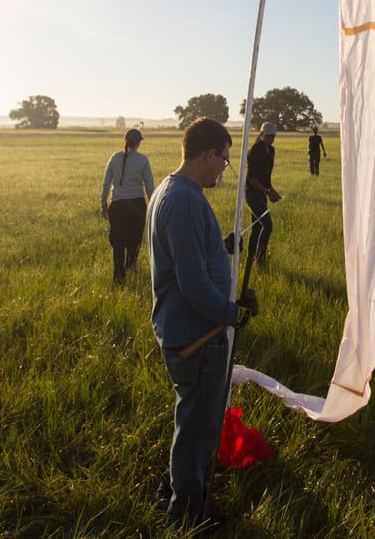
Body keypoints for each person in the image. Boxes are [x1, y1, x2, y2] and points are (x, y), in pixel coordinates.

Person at [147, 117, 258, 529]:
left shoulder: (169, 191)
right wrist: (230, 313)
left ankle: (174, 488)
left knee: (191, 419)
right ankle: (186, 516)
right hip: (198, 335)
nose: (223, 169)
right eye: (224, 161)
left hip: (185, 329)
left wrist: (220, 246)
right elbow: (192, 283)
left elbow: (188, 256)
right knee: (198, 428)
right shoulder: (187, 200)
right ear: (208, 153)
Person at [101, 128, 155, 284]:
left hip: (117, 205)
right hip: (137, 205)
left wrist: (104, 204)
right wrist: (153, 207)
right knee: (134, 240)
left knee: (117, 243)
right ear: (138, 143)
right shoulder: (143, 160)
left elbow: (106, 184)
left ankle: (118, 275)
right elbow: (150, 187)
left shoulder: (114, 158)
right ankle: (132, 268)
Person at [245, 121, 281, 266]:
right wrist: (266, 191)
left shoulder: (271, 151)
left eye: (273, 136)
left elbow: (267, 177)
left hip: (261, 193)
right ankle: (260, 260)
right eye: (268, 136)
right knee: (267, 225)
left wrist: (271, 191)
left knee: (257, 227)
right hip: (252, 193)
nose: (271, 139)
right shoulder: (254, 150)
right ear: (261, 134)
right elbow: (251, 178)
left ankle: (250, 258)